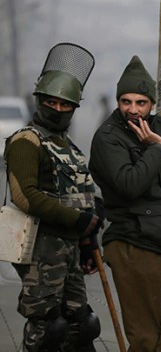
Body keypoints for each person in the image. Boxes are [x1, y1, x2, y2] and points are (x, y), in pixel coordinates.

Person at [3, 42, 103, 352]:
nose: (57, 110)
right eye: (51, 103)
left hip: (70, 249)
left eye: (65, 105)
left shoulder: (69, 147)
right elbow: (26, 197)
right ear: (38, 101)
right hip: (40, 250)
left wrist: (89, 238)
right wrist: (79, 220)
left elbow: (85, 194)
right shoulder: (25, 142)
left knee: (82, 326)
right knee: (49, 328)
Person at [88, 55, 161, 352]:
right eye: (126, 101)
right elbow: (129, 185)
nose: (132, 109)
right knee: (144, 339)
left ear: (151, 104)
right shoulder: (108, 138)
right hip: (133, 242)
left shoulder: (154, 129)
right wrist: (156, 148)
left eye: (140, 102)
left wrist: (157, 144)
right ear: (118, 102)